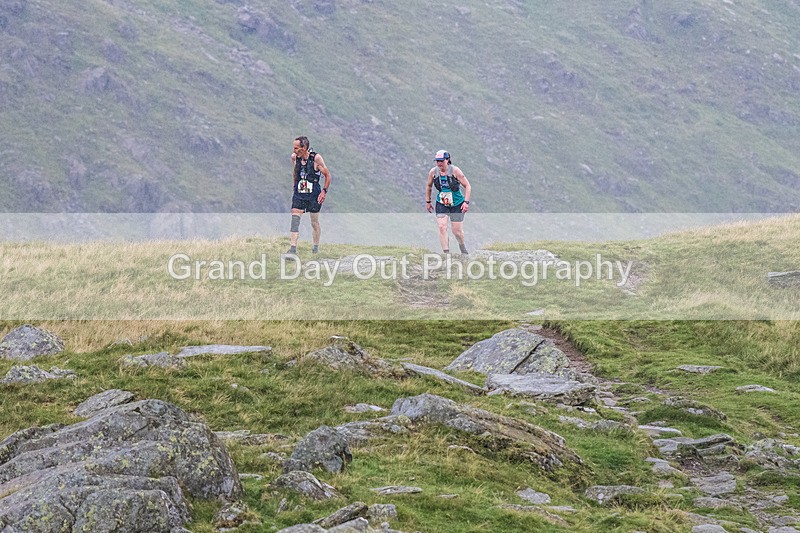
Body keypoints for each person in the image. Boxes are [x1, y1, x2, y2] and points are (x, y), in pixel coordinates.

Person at [287, 136, 331, 255]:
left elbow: (327, 175)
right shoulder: (294, 157)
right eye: (294, 148)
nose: (295, 151)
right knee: (295, 220)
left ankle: (315, 247)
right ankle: (292, 249)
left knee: (314, 222)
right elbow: (295, 172)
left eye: (297, 148)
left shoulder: (316, 158)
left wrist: (324, 191)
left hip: (313, 194)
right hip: (300, 193)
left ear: (304, 147)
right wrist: (295, 185)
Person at [425, 149, 471, 254]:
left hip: (457, 203)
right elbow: (428, 186)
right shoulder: (433, 172)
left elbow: (468, 186)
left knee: (457, 231)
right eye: (437, 161)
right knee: (442, 227)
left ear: (447, 160)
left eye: (441, 161)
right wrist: (428, 202)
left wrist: (466, 202)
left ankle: (462, 248)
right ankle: (446, 254)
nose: (439, 163)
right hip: (442, 202)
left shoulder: (455, 171)